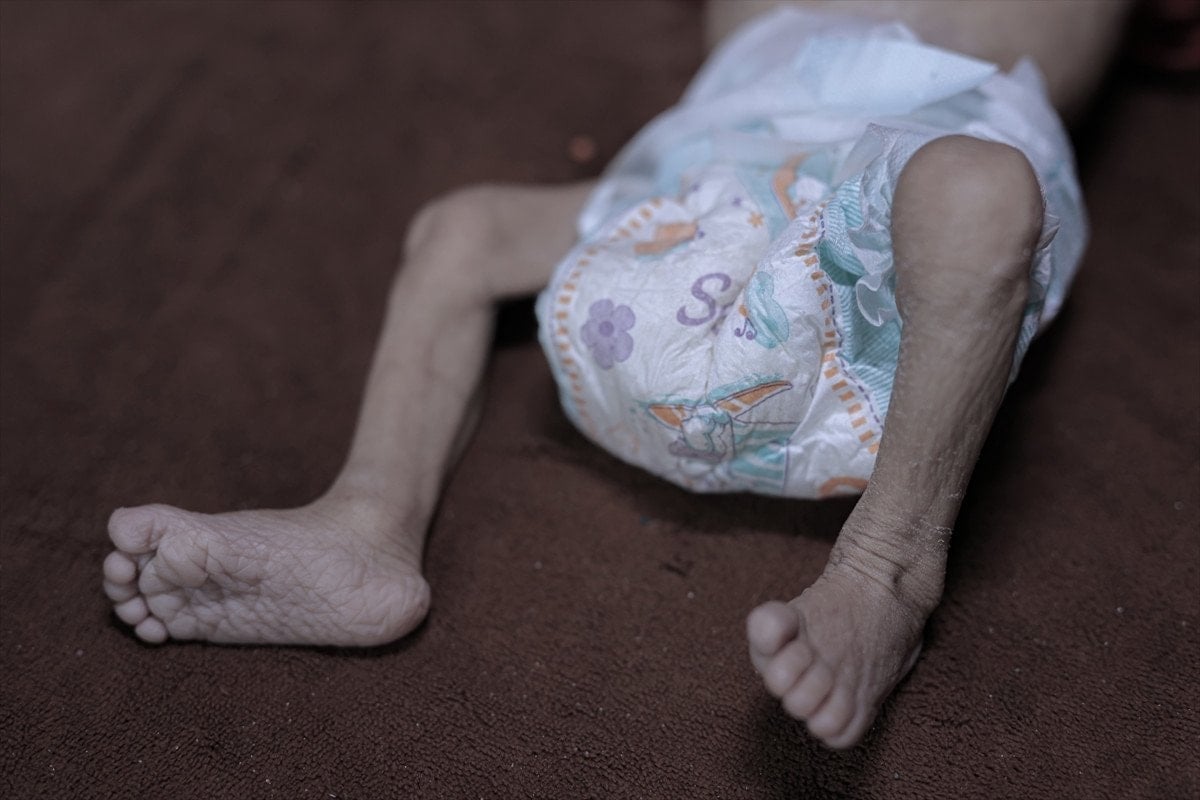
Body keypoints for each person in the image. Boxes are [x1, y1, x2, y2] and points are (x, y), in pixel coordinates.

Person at [101, 0, 1130, 749]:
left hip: (890, 258)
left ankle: (887, 567)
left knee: (979, 194)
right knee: (464, 229)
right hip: (690, 211)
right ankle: (366, 521)